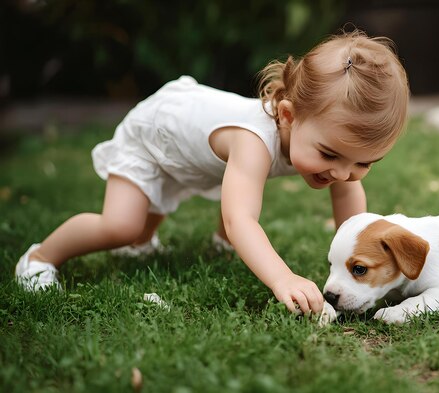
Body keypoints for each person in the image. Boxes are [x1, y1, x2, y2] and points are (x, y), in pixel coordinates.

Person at [15, 29, 410, 315]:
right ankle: (39, 259)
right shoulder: (253, 141)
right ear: (288, 115)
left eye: (363, 163)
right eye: (330, 154)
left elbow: (351, 212)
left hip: (191, 148)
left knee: (152, 226)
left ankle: (148, 243)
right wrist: (282, 278)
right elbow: (239, 218)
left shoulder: (325, 146)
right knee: (122, 226)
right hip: (155, 136)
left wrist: (365, 253)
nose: (344, 173)